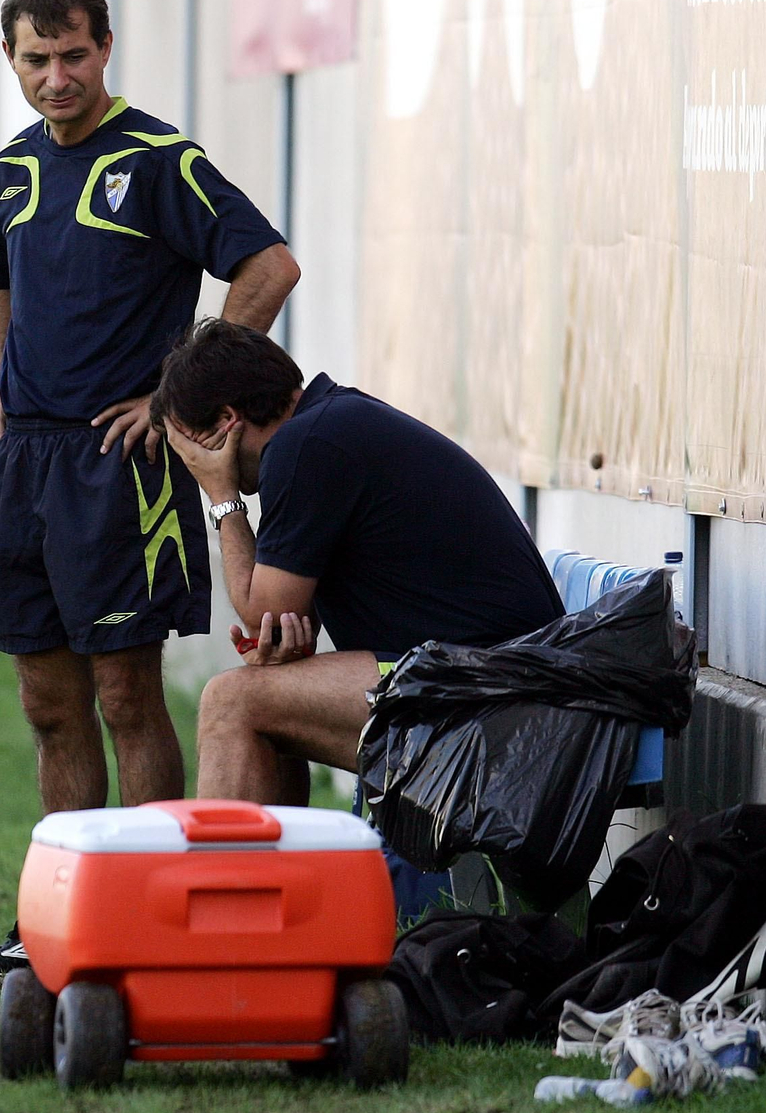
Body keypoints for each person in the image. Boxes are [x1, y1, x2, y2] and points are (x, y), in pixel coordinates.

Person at [0, 0, 300, 975]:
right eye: (35, 59)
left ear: (105, 47)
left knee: (122, 697)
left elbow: (268, 265)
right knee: (45, 700)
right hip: (26, 460)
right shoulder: (15, 166)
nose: (56, 78)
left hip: (120, 469)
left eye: (72, 55)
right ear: (11, 60)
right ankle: (56, 923)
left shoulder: (158, 158)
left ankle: (153, 919)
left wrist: (175, 395)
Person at [154, 319, 565, 803]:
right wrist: (280, 643)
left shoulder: (305, 446)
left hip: (496, 686)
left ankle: (224, 880)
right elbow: (280, 626)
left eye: (190, 449)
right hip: (492, 672)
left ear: (225, 421)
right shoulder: (326, 427)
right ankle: (277, 878)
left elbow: (258, 613)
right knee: (266, 693)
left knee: (231, 701)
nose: (191, 466)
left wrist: (221, 494)